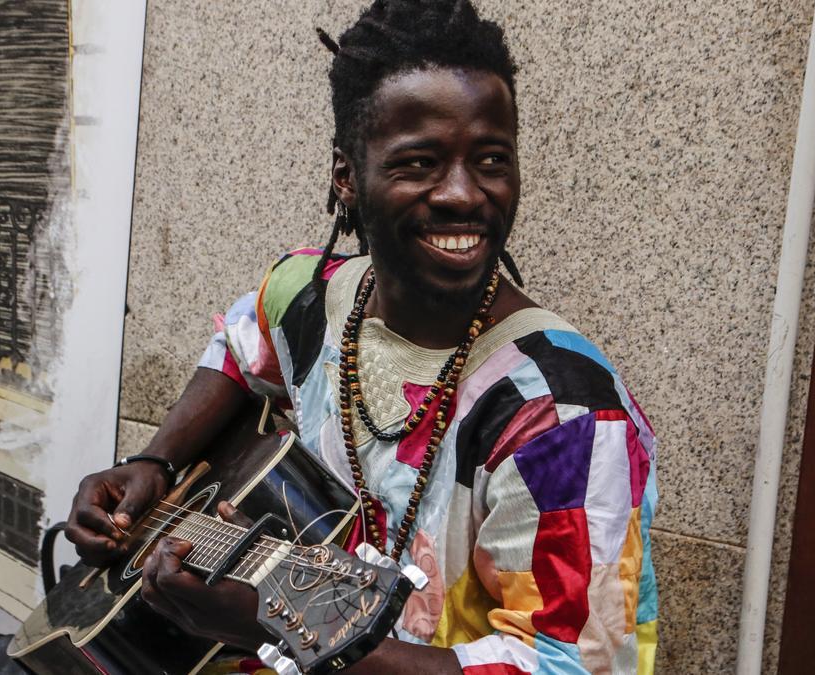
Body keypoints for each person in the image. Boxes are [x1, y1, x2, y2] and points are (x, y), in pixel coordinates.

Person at [65, 1, 659, 673]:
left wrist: (280, 618)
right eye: (420, 163)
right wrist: (156, 464)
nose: (464, 193)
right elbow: (239, 345)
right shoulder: (307, 295)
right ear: (346, 176)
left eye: (491, 158)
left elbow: (568, 665)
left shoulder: (561, 414)